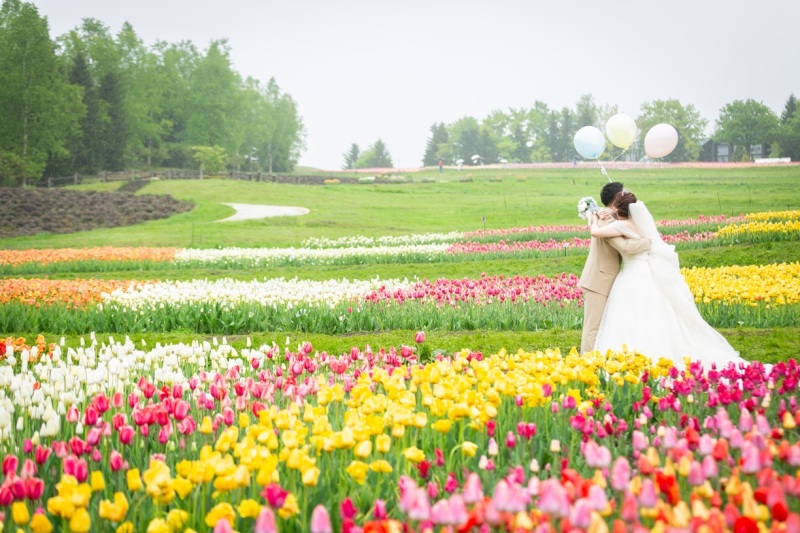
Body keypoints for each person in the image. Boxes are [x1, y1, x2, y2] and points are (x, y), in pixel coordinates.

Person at [589, 191, 747, 369]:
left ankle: (632, 355)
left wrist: (593, 216)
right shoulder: (639, 223)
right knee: (654, 311)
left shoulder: (620, 226)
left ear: (617, 209)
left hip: (632, 273)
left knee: (631, 312)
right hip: (646, 270)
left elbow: (595, 232)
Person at [579, 182, 651, 354]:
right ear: (615, 199)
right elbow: (625, 247)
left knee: (603, 325)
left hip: (605, 278)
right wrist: (647, 242)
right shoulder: (605, 222)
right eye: (621, 195)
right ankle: (587, 363)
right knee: (593, 328)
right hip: (598, 279)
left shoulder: (609, 217)